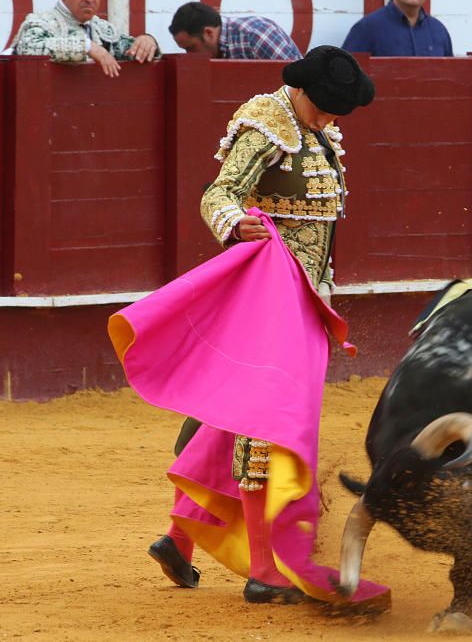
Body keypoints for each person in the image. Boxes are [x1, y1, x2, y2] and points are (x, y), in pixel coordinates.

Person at [130, 46, 389, 609]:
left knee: (232, 420)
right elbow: (218, 192)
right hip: (267, 297)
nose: (330, 119)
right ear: (302, 94)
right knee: (262, 425)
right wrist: (234, 221)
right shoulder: (268, 122)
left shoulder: (317, 130)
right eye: (325, 109)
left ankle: (179, 541)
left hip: (300, 297)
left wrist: (320, 289)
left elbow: (320, 223)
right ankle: (263, 572)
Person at [11, 0, 160, 77]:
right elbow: (29, 48)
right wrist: (87, 47)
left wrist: (147, 41)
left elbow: (131, 51)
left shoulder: (102, 29)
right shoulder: (41, 23)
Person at [168, 1, 302, 59]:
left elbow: (296, 84)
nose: (190, 55)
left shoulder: (255, 34)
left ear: (209, 33)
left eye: (192, 48)